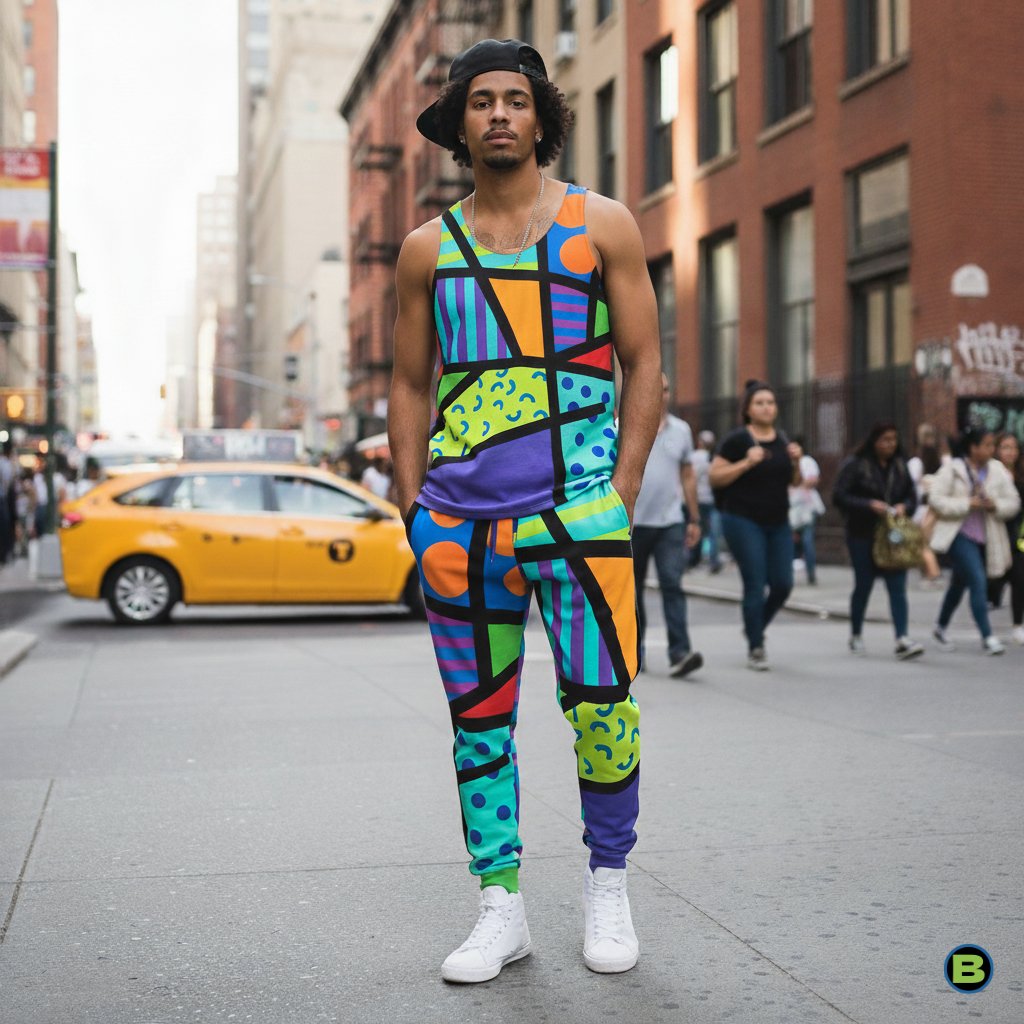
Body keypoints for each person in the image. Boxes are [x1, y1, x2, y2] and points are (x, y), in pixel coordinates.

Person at [389, 39, 661, 983]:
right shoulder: (428, 248)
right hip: (460, 528)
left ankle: (608, 884)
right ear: (459, 126)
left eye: (515, 99)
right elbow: (408, 382)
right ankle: (500, 906)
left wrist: (619, 496)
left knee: (603, 711)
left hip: (579, 518)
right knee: (478, 723)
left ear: (542, 117)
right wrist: (412, 505)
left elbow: (646, 363)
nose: (499, 114)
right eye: (480, 102)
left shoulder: (602, 224)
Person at [709, 380, 801, 671]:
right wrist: (746, 463)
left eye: (770, 402)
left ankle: (755, 624)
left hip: (777, 521)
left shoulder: (783, 440)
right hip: (742, 519)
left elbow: (794, 482)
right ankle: (756, 646)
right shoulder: (737, 441)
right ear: (748, 409)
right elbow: (715, 477)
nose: (766, 407)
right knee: (755, 582)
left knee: (783, 584)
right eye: (759, 402)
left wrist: (796, 462)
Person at [831, 423, 924, 660]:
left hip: (893, 536)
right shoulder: (856, 465)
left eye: (893, 439)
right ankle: (856, 634)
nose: (890, 444)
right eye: (885, 439)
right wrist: (869, 505)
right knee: (864, 584)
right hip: (862, 533)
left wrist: (905, 507)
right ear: (874, 441)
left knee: (897, 586)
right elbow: (840, 496)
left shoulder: (900, 466)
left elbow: (913, 497)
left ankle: (902, 637)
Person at [632, 374, 703, 678]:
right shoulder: (626, 427)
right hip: (633, 525)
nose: (660, 395)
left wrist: (695, 518)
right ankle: (635, 652)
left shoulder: (681, 430)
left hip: (670, 520)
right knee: (631, 591)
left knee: (672, 584)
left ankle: (680, 652)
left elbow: (688, 475)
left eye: (664, 390)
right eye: (654, 389)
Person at [928, 425, 1020, 655]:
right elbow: (935, 499)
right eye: (987, 445)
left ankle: (940, 626)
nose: (991, 450)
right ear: (973, 447)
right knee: (978, 580)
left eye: (992, 445)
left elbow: (1014, 502)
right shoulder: (953, 469)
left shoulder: (997, 471)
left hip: (987, 537)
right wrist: (966, 504)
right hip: (959, 535)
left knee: (959, 584)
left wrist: (994, 505)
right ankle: (988, 637)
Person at [986, 432, 1024, 645]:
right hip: (995, 532)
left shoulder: (1020, 474)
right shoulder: (992, 472)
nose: (1011, 452)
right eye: (1006, 447)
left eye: (1014, 447)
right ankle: (990, 600)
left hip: (1018, 534)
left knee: (1020, 578)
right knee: (995, 576)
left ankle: (1017, 625)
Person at [906, 423, 944, 587]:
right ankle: (927, 573)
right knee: (923, 542)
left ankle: (933, 573)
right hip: (933, 507)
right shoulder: (939, 460)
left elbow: (909, 482)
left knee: (921, 543)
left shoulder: (916, 461)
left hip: (922, 508)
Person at [788, 435, 824, 585]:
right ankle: (786, 575)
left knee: (807, 541)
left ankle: (811, 573)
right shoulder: (785, 463)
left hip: (806, 507)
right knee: (789, 542)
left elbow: (812, 480)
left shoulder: (808, 462)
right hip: (790, 507)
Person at [688, 429, 723, 573]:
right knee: (713, 532)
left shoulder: (695, 457)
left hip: (699, 499)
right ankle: (714, 560)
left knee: (698, 529)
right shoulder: (714, 457)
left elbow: (692, 479)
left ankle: (693, 559)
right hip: (713, 499)